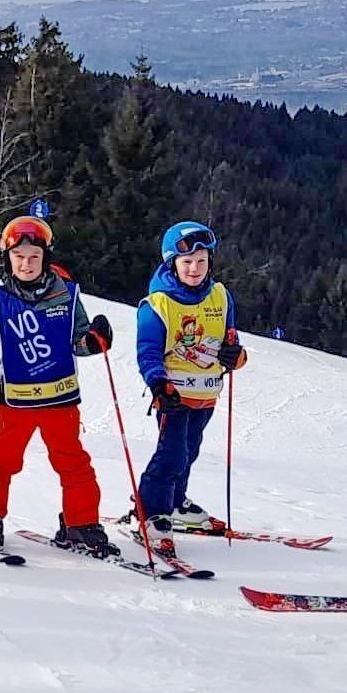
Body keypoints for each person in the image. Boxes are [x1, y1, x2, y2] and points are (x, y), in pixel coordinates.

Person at [0, 215, 118, 558]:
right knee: (1, 460)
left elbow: (78, 341)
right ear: (9, 259)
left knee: (73, 464)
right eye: (19, 257)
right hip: (16, 401)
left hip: (60, 398)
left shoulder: (68, 294)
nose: (27, 264)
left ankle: (81, 523)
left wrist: (95, 341)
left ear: (45, 257)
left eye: (34, 256)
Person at [132, 220, 245, 547]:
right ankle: (151, 511)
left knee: (188, 451)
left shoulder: (221, 296)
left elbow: (231, 343)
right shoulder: (159, 304)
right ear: (172, 264)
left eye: (201, 261)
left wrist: (234, 356)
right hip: (173, 396)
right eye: (186, 262)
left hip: (206, 393)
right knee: (171, 454)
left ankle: (175, 502)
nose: (194, 268)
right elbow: (147, 353)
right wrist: (158, 385)